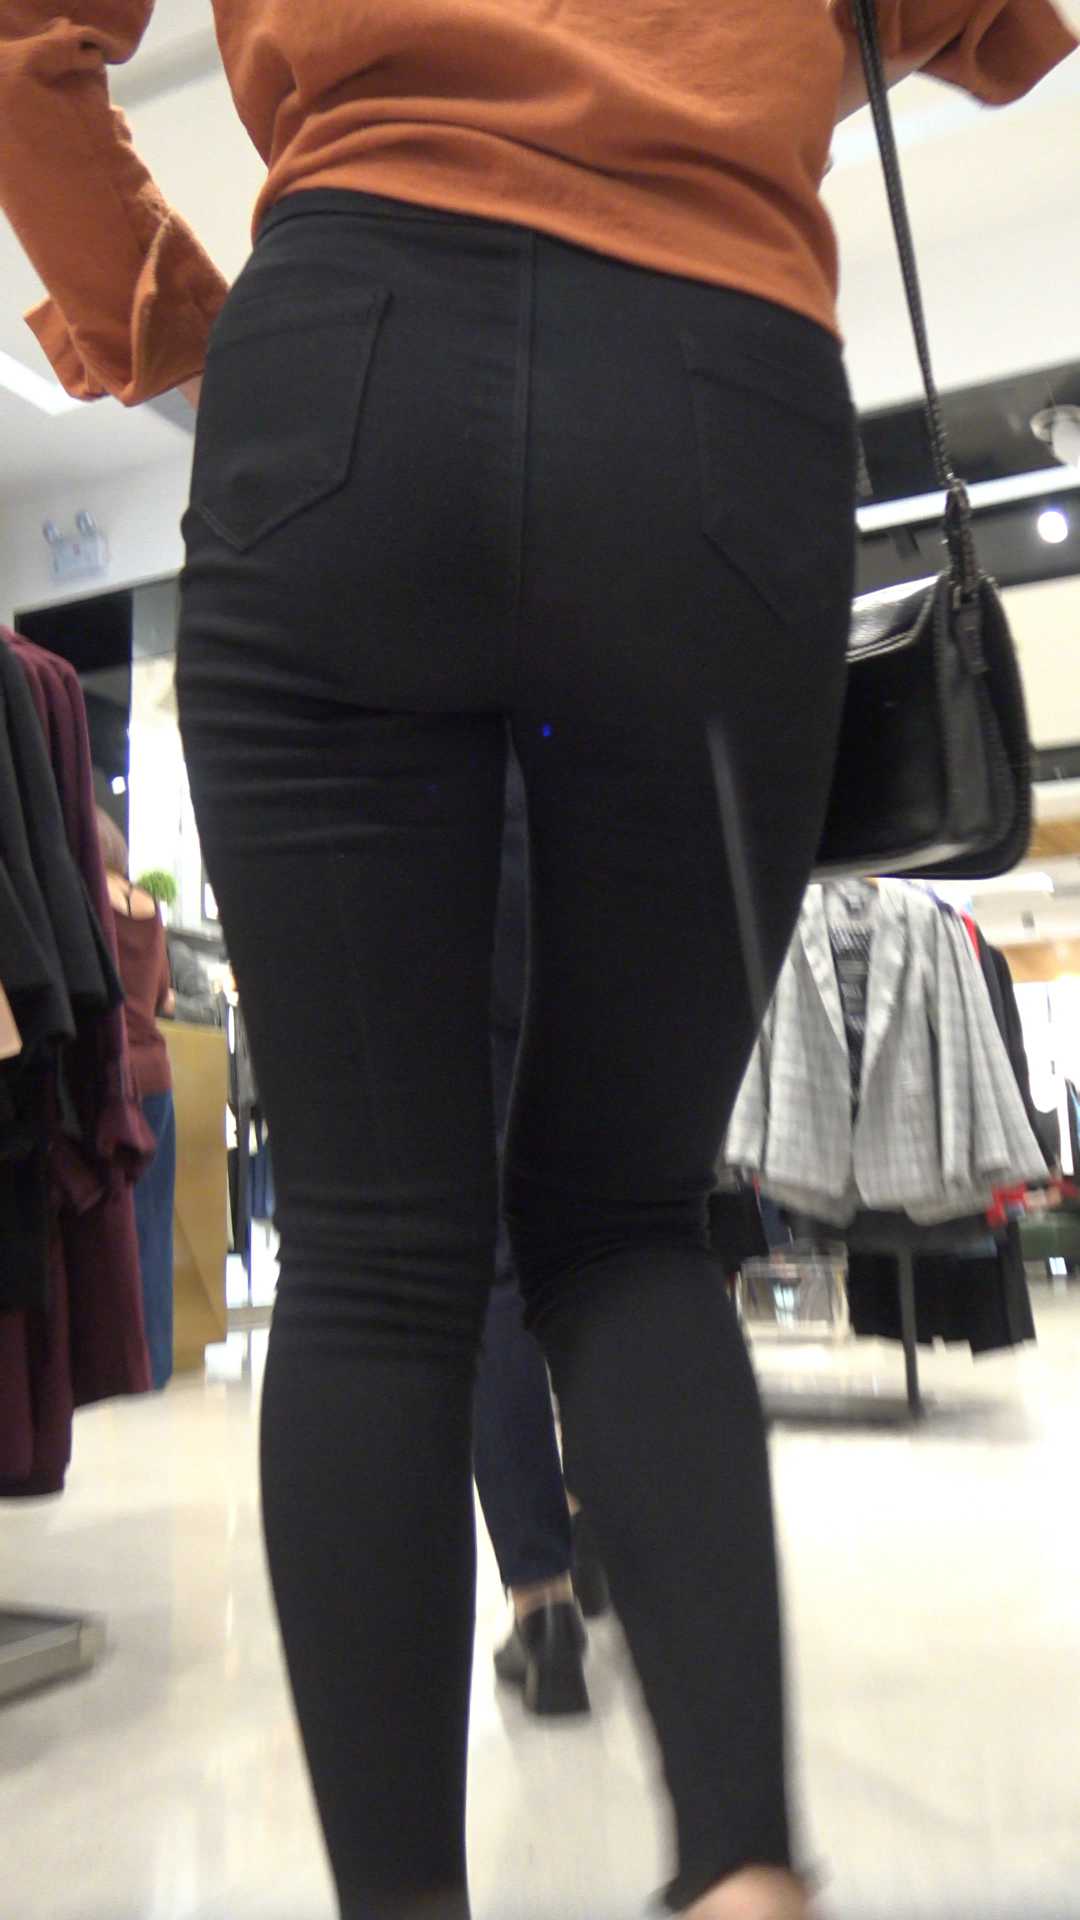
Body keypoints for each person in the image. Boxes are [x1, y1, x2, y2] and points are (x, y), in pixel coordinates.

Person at [2, 7, 1074, 1918]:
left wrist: (163, 314)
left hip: (349, 367)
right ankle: (747, 1883)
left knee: (376, 1249)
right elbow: (993, 34)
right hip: (715, 388)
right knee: (629, 1220)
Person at [475, 752, 608, 1720]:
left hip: (460, 853)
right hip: (599, 852)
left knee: (497, 1270)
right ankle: (591, 1510)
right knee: (621, 1242)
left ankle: (544, 1602)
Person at [95, 809, 177, 1391]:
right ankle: (158, 1363)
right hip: (157, 1073)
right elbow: (165, 998)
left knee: (104, 1224)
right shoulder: (150, 906)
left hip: (109, 1074)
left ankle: (116, 1363)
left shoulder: (86, 900)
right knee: (153, 1221)